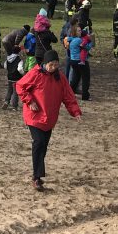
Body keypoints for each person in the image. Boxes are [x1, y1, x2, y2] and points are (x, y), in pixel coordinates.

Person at [15, 49, 82, 191]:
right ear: (45, 63)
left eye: (56, 64)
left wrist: (75, 112)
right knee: (38, 143)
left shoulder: (60, 78)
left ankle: (37, 173)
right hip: (34, 116)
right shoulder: (35, 73)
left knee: (43, 146)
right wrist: (30, 101)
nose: (53, 67)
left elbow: (68, 96)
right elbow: (20, 86)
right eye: (51, 64)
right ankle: (36, 177)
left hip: (49, 118)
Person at [67, 25, 93, 101]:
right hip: (81, 61)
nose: (80, 32)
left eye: (80, 30)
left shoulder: (71, 40)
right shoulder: (79, 40)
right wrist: (90, 41)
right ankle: (85, 96)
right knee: (85, 78)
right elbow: (88, 47)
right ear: (75, 32)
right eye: (78, 31)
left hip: (73, 60)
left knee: (76, 77)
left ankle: (70, 93)